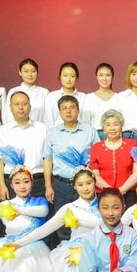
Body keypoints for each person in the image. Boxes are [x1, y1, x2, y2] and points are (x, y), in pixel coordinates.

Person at [0, 148, 102, 272]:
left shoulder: (104, 205)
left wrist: (81, 221)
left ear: (95, 182)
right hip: (77, 252)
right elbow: (45, 229)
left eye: (89, 183)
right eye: (80, 185)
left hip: (101, 251)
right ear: (75, 187)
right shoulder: (69, 208)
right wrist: (19, 243)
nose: (85, 188)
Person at [43, 94, 99, 227]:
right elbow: (47, 160)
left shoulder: (90, 131)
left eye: (72, 107)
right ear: (59, 112)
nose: (68, 111)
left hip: (85, 184)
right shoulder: (52, 133)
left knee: (87, 219)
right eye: (64, 108)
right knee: (63, 222)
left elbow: (97, 159)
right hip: (61, 185)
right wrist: (48, 186)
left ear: (78, 110)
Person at [0, 90, 48, 201]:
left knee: (40, 211)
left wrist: (48, 185)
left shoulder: (42, 128)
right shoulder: (2, 131)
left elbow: (48, 159)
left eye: (24, 104)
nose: (21, 107)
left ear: (30, 107)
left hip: (38, 182)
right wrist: (1, 185)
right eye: (16, 104)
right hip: (12, 183)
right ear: (10, 108)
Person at [89, 110, 137, 207]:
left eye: (116, 124)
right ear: (104, 128)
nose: (112, 128)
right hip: (103, 194)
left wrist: (121, 190)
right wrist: (111, 192)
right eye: (108, 125)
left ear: (121, 126)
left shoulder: (132, 144)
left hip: (128, 194)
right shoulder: (96, 148)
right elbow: (95, 175)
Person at [3, 58, 50, 127]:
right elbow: (7, 115)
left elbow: (48, 116)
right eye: (26, 71)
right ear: (20, 72)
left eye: (33, 71)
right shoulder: (13, 91)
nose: (30, 74)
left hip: (39, 130)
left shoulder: (44, 92)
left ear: (37, 72)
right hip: (16, 130)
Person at [43, 62, 86, 128]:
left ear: (77, 78)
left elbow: (86, 121)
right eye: (65, 75)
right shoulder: (51, 97)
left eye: (72, 76)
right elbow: (48, 121)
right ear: (60, 77)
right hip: (57, 133)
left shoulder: (84, 97)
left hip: (80, 132)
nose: (68, 79)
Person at [85, 63, 120, 139]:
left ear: (112, 77)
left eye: (108, 75)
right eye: (101, 75)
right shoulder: (89, 98)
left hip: (115, 137)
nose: (104, 78)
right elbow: (85, 123)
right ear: (96, 77)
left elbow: (122, 122)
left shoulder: (119, 97)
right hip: (95, 137)